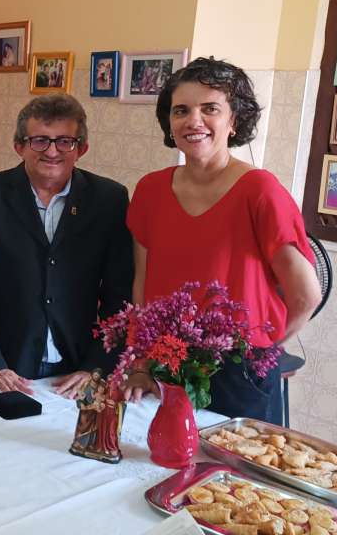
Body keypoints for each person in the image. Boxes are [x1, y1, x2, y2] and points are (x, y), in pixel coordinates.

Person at [124, 57, 322, 423]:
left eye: (210, 109)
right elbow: (143, 285)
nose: (193, 121)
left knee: (234, 479)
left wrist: (259, 350)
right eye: (181, 110)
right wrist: (141, 362)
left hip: (239, 374)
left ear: (234, 121)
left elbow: (305, 294)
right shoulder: (150, 190)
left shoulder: (260, 191)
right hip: (168, 363)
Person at [0, 94, 132, 398]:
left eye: (65, 141)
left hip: (77, 371)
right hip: (0, 369)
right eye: (40, 140)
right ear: (19, 146)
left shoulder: (109, 199)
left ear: (81, 148)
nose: (52, 151)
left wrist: (95, 367)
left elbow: (118, 296)